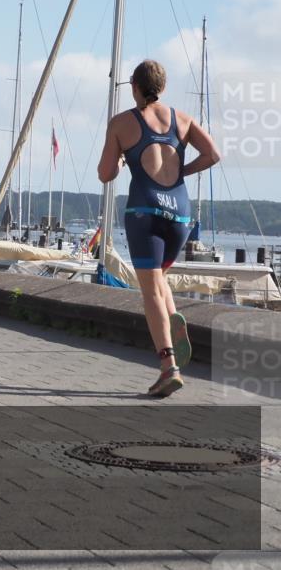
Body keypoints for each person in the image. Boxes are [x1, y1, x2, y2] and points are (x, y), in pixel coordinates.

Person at [97, 59, 220, 397]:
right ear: (162, 88)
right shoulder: (183, 119)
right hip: (179, 217)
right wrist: (181, 171)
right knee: (159, 277)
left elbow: (105, 174)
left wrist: (123, 159)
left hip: (145, 213)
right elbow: (212, 154)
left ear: (134, 86)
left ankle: (168, 366)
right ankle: (173, 315)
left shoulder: (122, 123)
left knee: (149, 289)